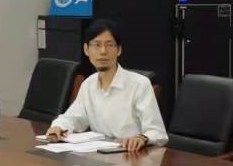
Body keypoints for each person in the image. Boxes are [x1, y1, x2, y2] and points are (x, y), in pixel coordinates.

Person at [46, 19, 167, 154]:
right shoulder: (88, 84)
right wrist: (58, 127)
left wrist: (142, 138)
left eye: (110, 45)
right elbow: (72, 118)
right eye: (97, 45)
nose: (103, 51)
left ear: (119, 50)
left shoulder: (139, 84)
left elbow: (158, 132)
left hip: (131, 156)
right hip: (100, 156)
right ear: (86, 50)